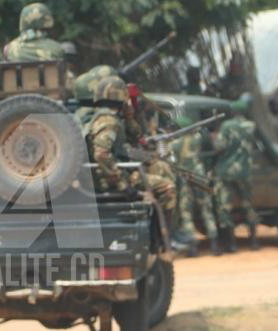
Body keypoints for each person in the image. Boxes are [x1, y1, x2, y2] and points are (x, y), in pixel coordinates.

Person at [86, 76, 176, 223]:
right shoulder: (108, 121)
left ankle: (156, 229)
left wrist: (129, 117)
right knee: (168, 187)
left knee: (162, 168)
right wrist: (122, 184)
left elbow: (135, 137)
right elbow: (101, 154)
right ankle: (158, 233)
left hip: (118, 172)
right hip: (110, 179)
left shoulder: (112, 118)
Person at [208, 96, 260, 253]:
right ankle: (254, 241)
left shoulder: (227, 126)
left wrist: (214, 138)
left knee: (224, 206)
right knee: (248, 205)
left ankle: (232, 244)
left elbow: (219, 147)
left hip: (226, 171)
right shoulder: (251, 126)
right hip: (245, 171)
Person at [171, 116, 218, 256]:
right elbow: (207, 141)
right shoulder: (198, 138)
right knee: (206, 209)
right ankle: (214, 244)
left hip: (185, 179)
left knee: (186, 213)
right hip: (199, 176)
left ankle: (193, 247)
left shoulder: (174, 144)